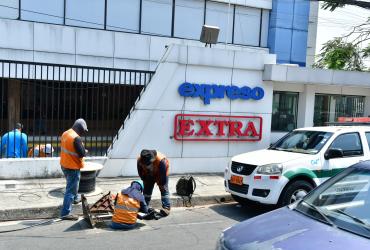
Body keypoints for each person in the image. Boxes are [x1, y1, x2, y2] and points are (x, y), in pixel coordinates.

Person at [60, 118, 88, 220]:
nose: (82, 133)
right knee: (70, 190)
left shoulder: (65, 133)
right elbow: (81, 154)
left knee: (72, 185)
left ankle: (75, 199)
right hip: (72, 167)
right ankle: (65, 213)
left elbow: (69, 148)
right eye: (82, 130)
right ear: (78, 128)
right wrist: (85, 151)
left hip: (64, 164)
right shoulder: (76, 138)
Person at [137, 149, 171, 216]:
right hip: (148, 173)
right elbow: (140, 171)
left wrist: (160, 182)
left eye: (148, 163)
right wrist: (145, 180)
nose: (147, 165)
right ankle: (144, 206)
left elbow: (163, 179)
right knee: (147, 190)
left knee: (163, 189)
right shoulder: (139, 160)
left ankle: (166, 208)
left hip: (160, 173)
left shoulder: (162, 161)